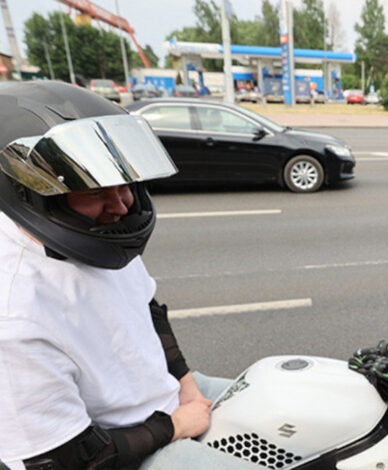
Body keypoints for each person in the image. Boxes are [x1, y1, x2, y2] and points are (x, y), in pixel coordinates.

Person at [0, 82, 258, 469]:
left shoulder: (94, 239)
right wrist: (174, 426)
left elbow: (149, 311)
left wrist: (187, 386)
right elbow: (63, 458)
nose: (120, 206)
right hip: (125, 449)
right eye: (94, 193)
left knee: (292, 402)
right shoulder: (16, 312)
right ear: (31, 194)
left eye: (124, 186)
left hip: (167, 396)